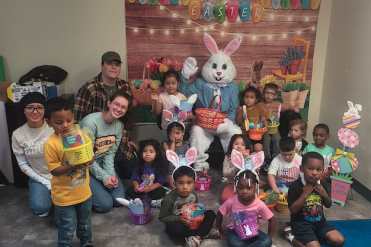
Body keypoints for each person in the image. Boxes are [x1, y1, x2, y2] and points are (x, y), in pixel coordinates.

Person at [74, 51, 138, 180]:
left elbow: (128, 117)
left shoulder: (125, 87)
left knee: (134, 173)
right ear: (102, 66)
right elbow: (77, 121)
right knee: (113, 178)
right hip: (97, 147)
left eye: (117, 64)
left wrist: (128, 138)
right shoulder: (89, 88)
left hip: (120, 142)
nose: (113, 67)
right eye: (109, 64)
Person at [43, 97, 95, 247]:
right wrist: (74, 165)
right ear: (49, 123)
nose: (65, 125)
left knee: (85, 222)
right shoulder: (51, 144)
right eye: (59, 123)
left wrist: (88, 161)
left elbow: (91, 157)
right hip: (64, 197)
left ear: (73, 117)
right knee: (67, 226)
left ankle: (86, 242)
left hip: (84, 193)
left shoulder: (80, 136)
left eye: (69, 120)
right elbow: (54, 170)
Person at [79, 91, 132, 213]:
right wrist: (103, 177)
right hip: (84, 165)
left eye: (123, 107)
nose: (119, 109)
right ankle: (83, 196)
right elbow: (86, 157)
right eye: (116, 104)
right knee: (105, 205)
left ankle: (98, 187)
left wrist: (110, 174)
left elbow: (110, 153)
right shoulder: (90, 122)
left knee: (119, 200)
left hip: (102, 160)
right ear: (109, 103)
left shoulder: (119, 125)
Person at [285, 152, 345, 247]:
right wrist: (305, 194)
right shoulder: (295, 186)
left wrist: (324, 195)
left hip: (320, 223)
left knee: (339, 240)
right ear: (302, 168)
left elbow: (328, 205)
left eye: (318, 169)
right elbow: (293, 210)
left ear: (322, 171)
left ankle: (314, 237)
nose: (314, 173)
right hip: (301, 224)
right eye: (310, 168)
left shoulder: (322, 185)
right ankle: (291, 236)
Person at [11, 92, 54, 217]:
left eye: (39, 107)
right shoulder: (17, 135)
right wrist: (47, 184)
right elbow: (23, 164)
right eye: (30, 107)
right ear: (24, 110)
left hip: (61, 174)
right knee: (40, 209)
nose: (35, 112)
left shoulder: (54, 126)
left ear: (44, 110)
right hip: (39, 177)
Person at [158, 165, 219, 247]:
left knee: (210, 214)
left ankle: (197, 237)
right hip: (177, 223)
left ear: (194, 183)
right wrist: (178, 219)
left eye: (189, 183)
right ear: (174, 184)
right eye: (180, 183)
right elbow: (162, 218)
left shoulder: (193, 194)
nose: (185, 187)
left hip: (191, 221)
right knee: (174, 228)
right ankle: (203, 233)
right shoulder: (169, 199)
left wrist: (198, 217)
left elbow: (195, 208)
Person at [216, 170, 276, 247]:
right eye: (241, 188)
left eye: (249, 188)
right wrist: (219, 231)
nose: (244, 191)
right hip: (235, 232)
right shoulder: (231, 201)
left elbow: (272, 220)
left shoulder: (259, 204)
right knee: (232, 243)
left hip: (254, 232)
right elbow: (220, 213)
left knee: (267, 240)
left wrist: (269, 238)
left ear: (256, 188)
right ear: (236, 188)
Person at [258, 83, 299, 168]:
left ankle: (276, 157)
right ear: (263, 93)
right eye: (267, 93)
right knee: (266, 140)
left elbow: (287, 107)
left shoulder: (277, 104)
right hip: (264, 128)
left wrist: (294, 109)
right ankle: (267, 159)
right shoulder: (259, 105)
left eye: (271, 94)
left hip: (274, 128)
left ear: (275, 95)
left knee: (278, 140)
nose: (268, 95)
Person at [151, 69, 193, 142]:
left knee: (178, 146)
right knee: (167, 145)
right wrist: (156, 100)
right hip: (166, 127)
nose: (170, 86)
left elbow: (190, 115)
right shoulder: (162, 96)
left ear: (178, 84)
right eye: (167, 83)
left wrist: (184, 115)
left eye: (173, 83)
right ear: (164, 84)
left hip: (178, 129)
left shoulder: (182, 97)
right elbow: (157, 112)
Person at [126, 139, 167, 208]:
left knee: (161, 191)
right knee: (129, 190)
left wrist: (150, 188)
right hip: (141, 191)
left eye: (151, 152)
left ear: (157, 153)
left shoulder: (158, 166)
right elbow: (134, 179)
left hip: (152, 190)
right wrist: (136, 186)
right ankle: (147, 201)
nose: (147, 154)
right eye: (145, 151)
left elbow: (160, 182)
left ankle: (143, 201)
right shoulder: (138, 166)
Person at [221, 134, 253, 203]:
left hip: (247, 185)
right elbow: (225, 173)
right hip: (233, 183)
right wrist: (236, 167)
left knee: (251, 199)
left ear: (246, 147)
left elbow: (252, 176)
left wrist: (256, 170)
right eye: (236, 144)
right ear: (231, 145)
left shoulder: (249, 157)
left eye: (242, 144)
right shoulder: (228, 156)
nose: (239, 146)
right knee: (225, 199)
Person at [236, 86, 268, 152]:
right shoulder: (241, 108)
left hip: (256, 134)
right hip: (245, 134)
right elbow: (238, 122)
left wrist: (266, 127)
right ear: (243, 97)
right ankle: (248, 160)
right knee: (249, 149)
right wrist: (240, 113)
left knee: (258, 148)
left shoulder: (259, 108)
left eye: (251, 97)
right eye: (246, 97)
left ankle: (258, 161)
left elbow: (263, 119)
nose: (248, 99)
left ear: (256, 99)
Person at [162, 122, 190, 190]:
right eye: (172, 133)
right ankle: (169, 185)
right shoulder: (165, 144)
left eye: (177, 133)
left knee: (185, 187)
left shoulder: (185, 145)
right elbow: (171, 156)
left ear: (183, 132)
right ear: (169, 134)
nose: (175, 136)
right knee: (176, 188)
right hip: (170, 171)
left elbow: (189, 159)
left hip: (182, 171)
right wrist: (172, 142)